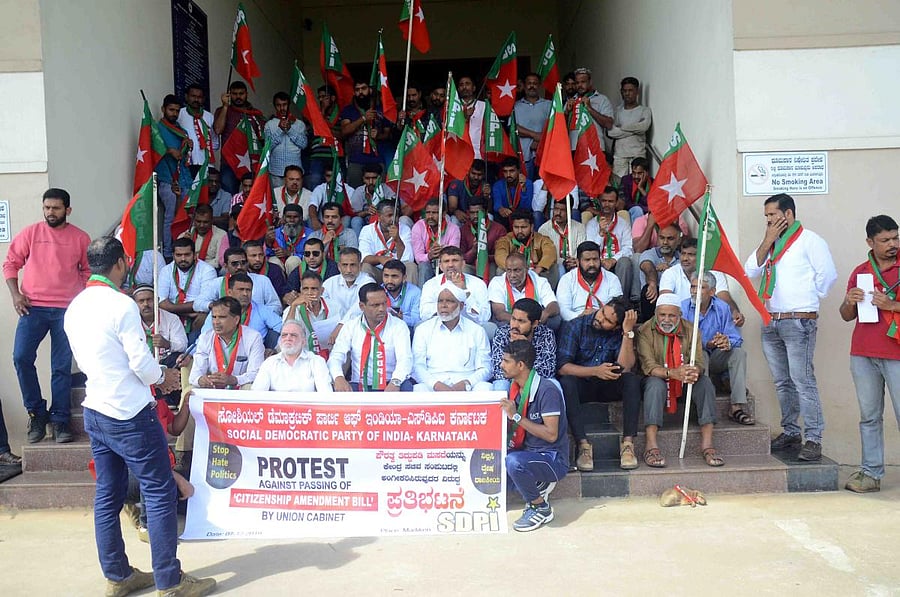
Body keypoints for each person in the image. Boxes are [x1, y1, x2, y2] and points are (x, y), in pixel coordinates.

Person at [63, 236, 215, 597]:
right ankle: (170, 581)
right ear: (120, 264)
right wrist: (166, 377)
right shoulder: (122, 304)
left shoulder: (75, 305)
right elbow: (142, 365)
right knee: (160, 492)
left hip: (96, 408)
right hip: (129, 412)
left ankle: (118, 576)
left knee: (107, 495)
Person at [744, 193, 837, 461]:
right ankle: (791, 431)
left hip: (798, 320)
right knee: (783, 382)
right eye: (766, 217)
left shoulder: (810, 240)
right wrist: (767, 240)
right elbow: (750, 270)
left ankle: (814, 439)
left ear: (788, 214)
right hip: (771, 320)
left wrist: (806, 301)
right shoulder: (771, 244)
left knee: (802, 381)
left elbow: (827, 276)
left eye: (773, 215)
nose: (769, 220)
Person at [4, 188, 90, 444]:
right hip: (33, 308)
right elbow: (10, 263)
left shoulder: (80, 238)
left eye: (56, 208)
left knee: (61, 368)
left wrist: (81, 301)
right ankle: (37, 414)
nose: (50, 212)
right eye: (47, 207)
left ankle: (61, 420)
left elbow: (87, 271)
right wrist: (15, 295)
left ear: (68, 210)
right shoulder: (31, 233)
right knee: (21, 358)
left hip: (67, 310)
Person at [839, 215, 900, 492]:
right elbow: (845, 315)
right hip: (863, 352)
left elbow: (891, 305)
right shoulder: (861, 271)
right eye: (885, 240)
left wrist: (892, 304)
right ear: (870, 242)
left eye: (895, 238)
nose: (893, 244)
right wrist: (849, 302)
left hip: (896, 352)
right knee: (869, 416)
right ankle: (871, 473)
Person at [637, 294, 723, 468]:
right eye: (662, 315)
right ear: (655, 314)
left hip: (684, 380)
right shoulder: (644, 331)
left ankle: (707, 445)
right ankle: (651, 445)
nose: (666, 320)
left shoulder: (692, 330)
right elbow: (649, 367)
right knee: (655, 384)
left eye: (672, 316)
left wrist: (693, 371)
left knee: (705, 383)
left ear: (680, 315)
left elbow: (699, 362)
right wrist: (673, 373)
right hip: (657, 379)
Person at [558, 298, 641, 471]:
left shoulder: (621, 332)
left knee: (631, 380)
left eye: (608, 321)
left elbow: (625, 367)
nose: (600, 319)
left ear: (617, 326)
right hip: (582, 384)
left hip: (608, 384)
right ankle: (583, 446)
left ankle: (627, 445)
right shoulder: (575, 326)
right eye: (603, 312)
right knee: (567, 383)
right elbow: (563, 367)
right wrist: (595, 371)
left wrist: (627, 333)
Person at [500, 340, 568, 532]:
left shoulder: (547, 390)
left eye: (506, 361)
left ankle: (540, 507)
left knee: (514, 463)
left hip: (552, 459)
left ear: (520, 365)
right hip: (528, 452)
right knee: (492, 466)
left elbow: (551, 435)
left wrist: (516, 416)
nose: (501, 365)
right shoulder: (514, 389)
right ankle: (538, 482)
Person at [681, 271, 752, 425]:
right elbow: (683, 341)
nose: (694, 291)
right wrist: (707, 343)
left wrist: (727, 342)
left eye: (700, 288)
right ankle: (703, 407)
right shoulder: (683, 308)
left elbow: (735, 336)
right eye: (693, 287)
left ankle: (736, 407)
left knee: (738, 353)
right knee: (701, 354)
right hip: (694, 357)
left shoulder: (722, 307)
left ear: (712, 292)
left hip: (717, 358)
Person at [328, 283, 413, 392]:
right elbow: (336, 356)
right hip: (360, 383)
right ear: (362, 306)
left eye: (384, 303)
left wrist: (395, 382)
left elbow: (405, 359)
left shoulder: (399, 326)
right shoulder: (351, 326)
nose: (382, 309)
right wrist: (338, 377)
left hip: (392, 382)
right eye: (375, 305)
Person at [412, 284, 492, 392]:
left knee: (485, 388)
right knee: (419, 389)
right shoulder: (423, 330)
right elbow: (417, 366)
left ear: (461, 305)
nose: (443, 305)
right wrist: (436, 384)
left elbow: (485, 367)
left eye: (449, 301)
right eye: (440, 301)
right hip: (434, 384)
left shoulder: (477, 331)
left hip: (467, 385)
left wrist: (467, 383)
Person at [659, 238, 743, 324]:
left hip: (709, 321)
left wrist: (734, 312)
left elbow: (724, 297)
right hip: (681, 322)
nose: (685, 258)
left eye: (691, 254)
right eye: (683, 253)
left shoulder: (714, 272)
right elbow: (665, 300)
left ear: (701, 255)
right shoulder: (670, 273)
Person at [198, 273, 282, 349]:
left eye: (248, 290)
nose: (245, 294)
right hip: (219, 356)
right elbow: (205, 337)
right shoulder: (218, 311)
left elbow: (282, 328)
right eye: (241, 290)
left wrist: (274, 350)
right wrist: (190, 354)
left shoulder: (262, 310)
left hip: (253, 355)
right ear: (230, 292)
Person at [490, 298, 557, 391]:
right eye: (513, 319)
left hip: (535, 379)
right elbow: (498, 371)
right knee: (501, 385)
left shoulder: (546, 334)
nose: (515, 325)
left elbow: (548, 370)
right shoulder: (502, 333)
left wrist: (526, 348)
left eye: (521, 321)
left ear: (535, 323)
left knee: (554, 384)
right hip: (508, 379)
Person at [585, 186, 636, 304]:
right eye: (604, 201)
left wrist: (613, 260)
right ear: (599, 201)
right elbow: (589, 250)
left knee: (625, 262)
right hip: (598, 262)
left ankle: (620, 303)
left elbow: (628, 248)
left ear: (616, 202)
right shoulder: (591, 225)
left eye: (611, 201)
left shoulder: (623, 224)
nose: (607, 204)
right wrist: (601, 234)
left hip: (617, 263)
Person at [158, 237, 218, 338]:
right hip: (172, 317)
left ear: (195, 255)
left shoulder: (207, 270)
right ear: (173, 255)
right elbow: (161, 303)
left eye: (187, 255)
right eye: (179, 255)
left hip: (196, 319)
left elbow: (206, 301)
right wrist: (188, 311)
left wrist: (172, 307)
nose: (183, 259)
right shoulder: (166, 270)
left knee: (204, 317)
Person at [196, 247, 282, 316]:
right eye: (234, 264)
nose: (239, 267)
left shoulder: (262, 280)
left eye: (243, 263)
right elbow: (197, 303)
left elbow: (276, 306)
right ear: (225, 266)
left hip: (257, 324)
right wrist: (216, 306)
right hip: (226, 325)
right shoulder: (217, 283)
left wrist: (257, 314)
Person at [213, 80, 265, 194]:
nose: (238, 97)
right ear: (229, 94)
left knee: (252, 197)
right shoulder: (221, 111)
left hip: (251, 163)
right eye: (234, 94)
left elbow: (262, 138)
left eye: (241, 93)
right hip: (229, 163)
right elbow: (217, 130)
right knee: (229, 196)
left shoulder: (255, 113)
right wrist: (225, 106)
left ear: (247, 94)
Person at [251, 320, 332, 392]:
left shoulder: (316, 361)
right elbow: (257, 395)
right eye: (284, 335)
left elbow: (325, 396)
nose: (288, 338)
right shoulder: (269, 363)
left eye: (293, 335)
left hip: (307, 408)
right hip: (277, 408)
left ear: (303, 341)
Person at [420, 246, 491, 326]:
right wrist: (450, 310)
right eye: (446, 261)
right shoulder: (430, 284)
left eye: (455, 260)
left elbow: (485, 317)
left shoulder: (478, 283)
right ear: (440, 266)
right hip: (439, 326)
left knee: (490, 327)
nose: (450, 265)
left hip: (469, 327)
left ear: (463, 264)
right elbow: (424, 314)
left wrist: (465, 291)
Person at [488, 252, 559, 329]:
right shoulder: (497, 282)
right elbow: (499, 313)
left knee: (555, 320)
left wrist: (546, 313)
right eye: (509, 270)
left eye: (516, 270)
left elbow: (554, 305)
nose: (512, 275)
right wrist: (523, 322)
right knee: (500, 323)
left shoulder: (539, 281)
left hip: (535, 324)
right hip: (511, 323)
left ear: (527, 269)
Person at [339, 81, 391, 187]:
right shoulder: (348, 110)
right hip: (356, 160)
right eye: (357, 90)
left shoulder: (381, 110)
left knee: (379, 193)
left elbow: (388, 134)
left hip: (377, 159)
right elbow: (344, 131)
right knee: (354, 193)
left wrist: (379, 136)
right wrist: (363, 118)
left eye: (363, 88)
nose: (360, 92)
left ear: (370, 90)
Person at [557, 241, 624, 321]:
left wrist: (597, 315)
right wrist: (580, 317)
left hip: (603, 322)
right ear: (578, 262)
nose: (592, 264)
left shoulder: (612, 279)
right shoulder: (567, 279)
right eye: (587, 260)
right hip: (575, 322)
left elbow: (615, 309)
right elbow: (563, 310)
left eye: (595, 259)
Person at [358, 200, 416, 285]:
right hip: (379, 271)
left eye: (396, 215)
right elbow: (363, 257)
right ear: (379, 216)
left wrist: (397, 239)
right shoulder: (367, 230)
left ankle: (408, 297)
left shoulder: (405, 229)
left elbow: (408, 258)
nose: (393, 219)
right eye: (389, 215)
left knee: (412, 267)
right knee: (365, 267)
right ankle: (370, 297)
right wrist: (380, 259)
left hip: (398, 272)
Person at [283, 271, 338, 359]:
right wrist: (293, 306)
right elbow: (286, 333)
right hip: (302, 357)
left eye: (314, 289)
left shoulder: (335, 307)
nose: (309, 293)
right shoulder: (292, 309)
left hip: (330, 355)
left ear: (322, 291)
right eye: (305, 289)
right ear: (300, 290)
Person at [494, 210, 557, 284]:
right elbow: (500, 255)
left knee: (554, 268)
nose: (520, 231)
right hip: (514, 275)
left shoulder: (541, 239)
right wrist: (518, 270)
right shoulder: (505, 240)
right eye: (516, 227)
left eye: (523, 227)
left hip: (536, 275)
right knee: (500, 270)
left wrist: (538, 269)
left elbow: (550, 253)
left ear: (532, 227)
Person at [607, 78, 652, 179]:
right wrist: (634, 129)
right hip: (620, 156)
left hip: (638, 155)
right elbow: (610, 132)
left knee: (637, 187)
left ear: (637, 92)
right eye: (625, 91)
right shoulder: (617, 111)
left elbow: (643, 127)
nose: (627, 93)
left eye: (630, 90)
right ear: (621, 92)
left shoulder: (644, 110)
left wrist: (622, 127)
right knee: (619, 187)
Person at [639, 223, 683, 321]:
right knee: (648, 289)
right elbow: (648, 267)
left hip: (674, 298)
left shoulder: (682, 259)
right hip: (653, 299)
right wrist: (653, 283)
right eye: (662, 238)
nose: (665, 242)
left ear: (679, 240)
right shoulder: (649, 253)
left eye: (670, 239)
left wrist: (670, 270)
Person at [264, 92, 308, 188]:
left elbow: (304, 144)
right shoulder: (269, 125)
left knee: (295, 201)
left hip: (295, 172)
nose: (282, 108)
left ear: (289, 105)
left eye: (284, 105)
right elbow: (267, 148)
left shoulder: (299, 124)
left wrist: (290, 130)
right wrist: (279, 130)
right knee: (277, 201)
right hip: (276, 171)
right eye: (278, 105)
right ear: (274, 106)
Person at [411, 199, 461, 282]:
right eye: (428, 212)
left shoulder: (453, 229)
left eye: (434, 213)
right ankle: (424, 294)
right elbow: (418, 257)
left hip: (446, 264)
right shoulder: (418, 227)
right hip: (427, 265)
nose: (430, 216)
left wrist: (442, 252)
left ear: (444, 214)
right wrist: (429, 256)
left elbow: (454, 254)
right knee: (423, 266)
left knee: (452, 265)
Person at [513, 73, 552, 180]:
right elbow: (514, 128)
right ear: (524, 86)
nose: (532, 86)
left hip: (545, 155)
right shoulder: (516, 106)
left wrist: (539, 141)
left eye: (535, 83)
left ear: (539, 86)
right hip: (524, 156)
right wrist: (535, 135)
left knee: (544, 188)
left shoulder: (549, 105)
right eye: (529, 83)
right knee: (526, 186)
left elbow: (554, 128)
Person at [323, 247, 376, 321]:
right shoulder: (329, 283)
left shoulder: (368, 283)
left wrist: (340, 326)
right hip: (333, 326)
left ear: (360, 266)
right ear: (339, 266)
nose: (349, 270)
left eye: (353, 265)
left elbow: (357, 312)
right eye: (345, 265)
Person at [568, 68, 614, 154]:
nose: (580, 85)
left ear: (590, 82)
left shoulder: (602, 99)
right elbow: (559, 128)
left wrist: (590, 108)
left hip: (596, 149)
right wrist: (567, 112)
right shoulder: (571, 101)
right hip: (574, 149)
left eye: (583, 82)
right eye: (577, 83)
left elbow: (609, 124)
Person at [305, 85, 341, 191]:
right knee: (315, 183)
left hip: (335, 155)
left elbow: (342, 134)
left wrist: (327, 128)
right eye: (319, 97)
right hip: (318, 156)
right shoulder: (314, 114)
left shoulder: (340, 115)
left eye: (324, 97)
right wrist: (322, 112)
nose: (321, 100)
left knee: (337, 185)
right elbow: (314, 130)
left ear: (333, 98)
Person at [177, 84, 218, 174]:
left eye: (199, 97)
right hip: (186, 164)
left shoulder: (209, 117)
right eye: (193, 96)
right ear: (186, 97)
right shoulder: (179, 114)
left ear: (203, 99)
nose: (196, 100)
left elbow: (215, 142)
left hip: (206, 164)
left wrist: (204, 153)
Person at [459, 199, 507, 277]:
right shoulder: (463, 230)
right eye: (472, 213)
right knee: (462, 269)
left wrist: (483, 253)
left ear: (486, 211)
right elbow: (461, 257)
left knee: (493, 268)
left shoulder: (499, 229)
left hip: (491, 265)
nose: (475, 216)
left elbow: (500, 255)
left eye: (478, 213)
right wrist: (473, 250)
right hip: (472, 266)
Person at [538, 198, 587, 275]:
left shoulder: (579, 227)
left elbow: (581, 250)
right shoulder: (544, 229)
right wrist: (564, 263)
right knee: (560, 269)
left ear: (569, 211)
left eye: (563, 210)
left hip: (575, 265)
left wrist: (574, 261)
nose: (558, 213)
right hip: (554, 267)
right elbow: (546, 255)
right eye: (556, 209)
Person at [349, 164, 397, 235]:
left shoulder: (388, 190)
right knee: (355, 221)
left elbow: (395, 211)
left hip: (384, 222)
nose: (371, 182)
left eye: (374, 178)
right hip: (365, 222)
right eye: (367, 178)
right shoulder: (359, 191)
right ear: (363, 179)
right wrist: (367, 212)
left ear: (380, 178)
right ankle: (358, 245)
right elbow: (354, 214)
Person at [265, 204, 313, 275]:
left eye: (295, 217)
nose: (292, 220)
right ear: (283, 218)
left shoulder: (311, 234)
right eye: (288, 217)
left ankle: (294, 285)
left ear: (301, 218)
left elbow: (312, 256)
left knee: (292, 261)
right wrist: (268, 243)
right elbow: (267, 255)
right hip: (281, 265)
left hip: (301, 268)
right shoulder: (275, 233)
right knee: (273, 261)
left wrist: (290, 254)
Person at [180, 204, 228, 270]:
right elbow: (178, 259)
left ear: (212, 220)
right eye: (198, 221)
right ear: (194, 220)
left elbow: (219, 261)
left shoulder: (221, 235)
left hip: (211, 270)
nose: (202, 225)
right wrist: (184, 243)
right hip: (188, 270)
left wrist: (199, 268)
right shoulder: (185, 235)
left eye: (205, 222)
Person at [491, 158, 537, 229]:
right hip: (506, 217)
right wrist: (501, 209)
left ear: (518, 171)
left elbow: (527, 208)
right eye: (505, 171)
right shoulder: (498, 185)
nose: (508, 174)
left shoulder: (527, 183)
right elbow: (497, 204)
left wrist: (523, 189)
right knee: (497, 215)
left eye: (512, 171)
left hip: (522, 217)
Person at [382, 259, 421, 334]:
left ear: (404, 278)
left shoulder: (415, 292)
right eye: (386, 276)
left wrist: (401, 318)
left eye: (394, 276)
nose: (389, 280)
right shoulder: (378, 292)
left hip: (406, 330)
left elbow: (417, 320)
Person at [447, 160, 491, 224]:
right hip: (462, 216)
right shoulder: (457, 183)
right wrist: (456, 212)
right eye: (473, 173)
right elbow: (452, 207)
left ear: (484, 175)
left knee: (490, 217)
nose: (476, 177)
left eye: (479, 174)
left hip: (478, 216)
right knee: (454, 220)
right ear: (468, 172)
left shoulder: (486, 186)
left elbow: (489, 210)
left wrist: (487, 197)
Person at [458, 76, 485, 159]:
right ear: (458, 89)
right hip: (458, 154)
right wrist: (464, 117)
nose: (464, 87)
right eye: (461, 85)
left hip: (478, 153)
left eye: (467, 84)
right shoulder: (452, 106)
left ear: (474, 88)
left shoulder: (484, 106)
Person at [619, 157, 653, 223]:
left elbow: (652, 204)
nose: (636, 176)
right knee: (637, 210)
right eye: (634, 173)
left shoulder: (653, 183)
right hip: (630, 212)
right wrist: (645, 208)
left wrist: (641, 189)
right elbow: (626, 203)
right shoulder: (626, 180)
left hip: (647, 213)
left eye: (639, 173)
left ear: (646, 173)